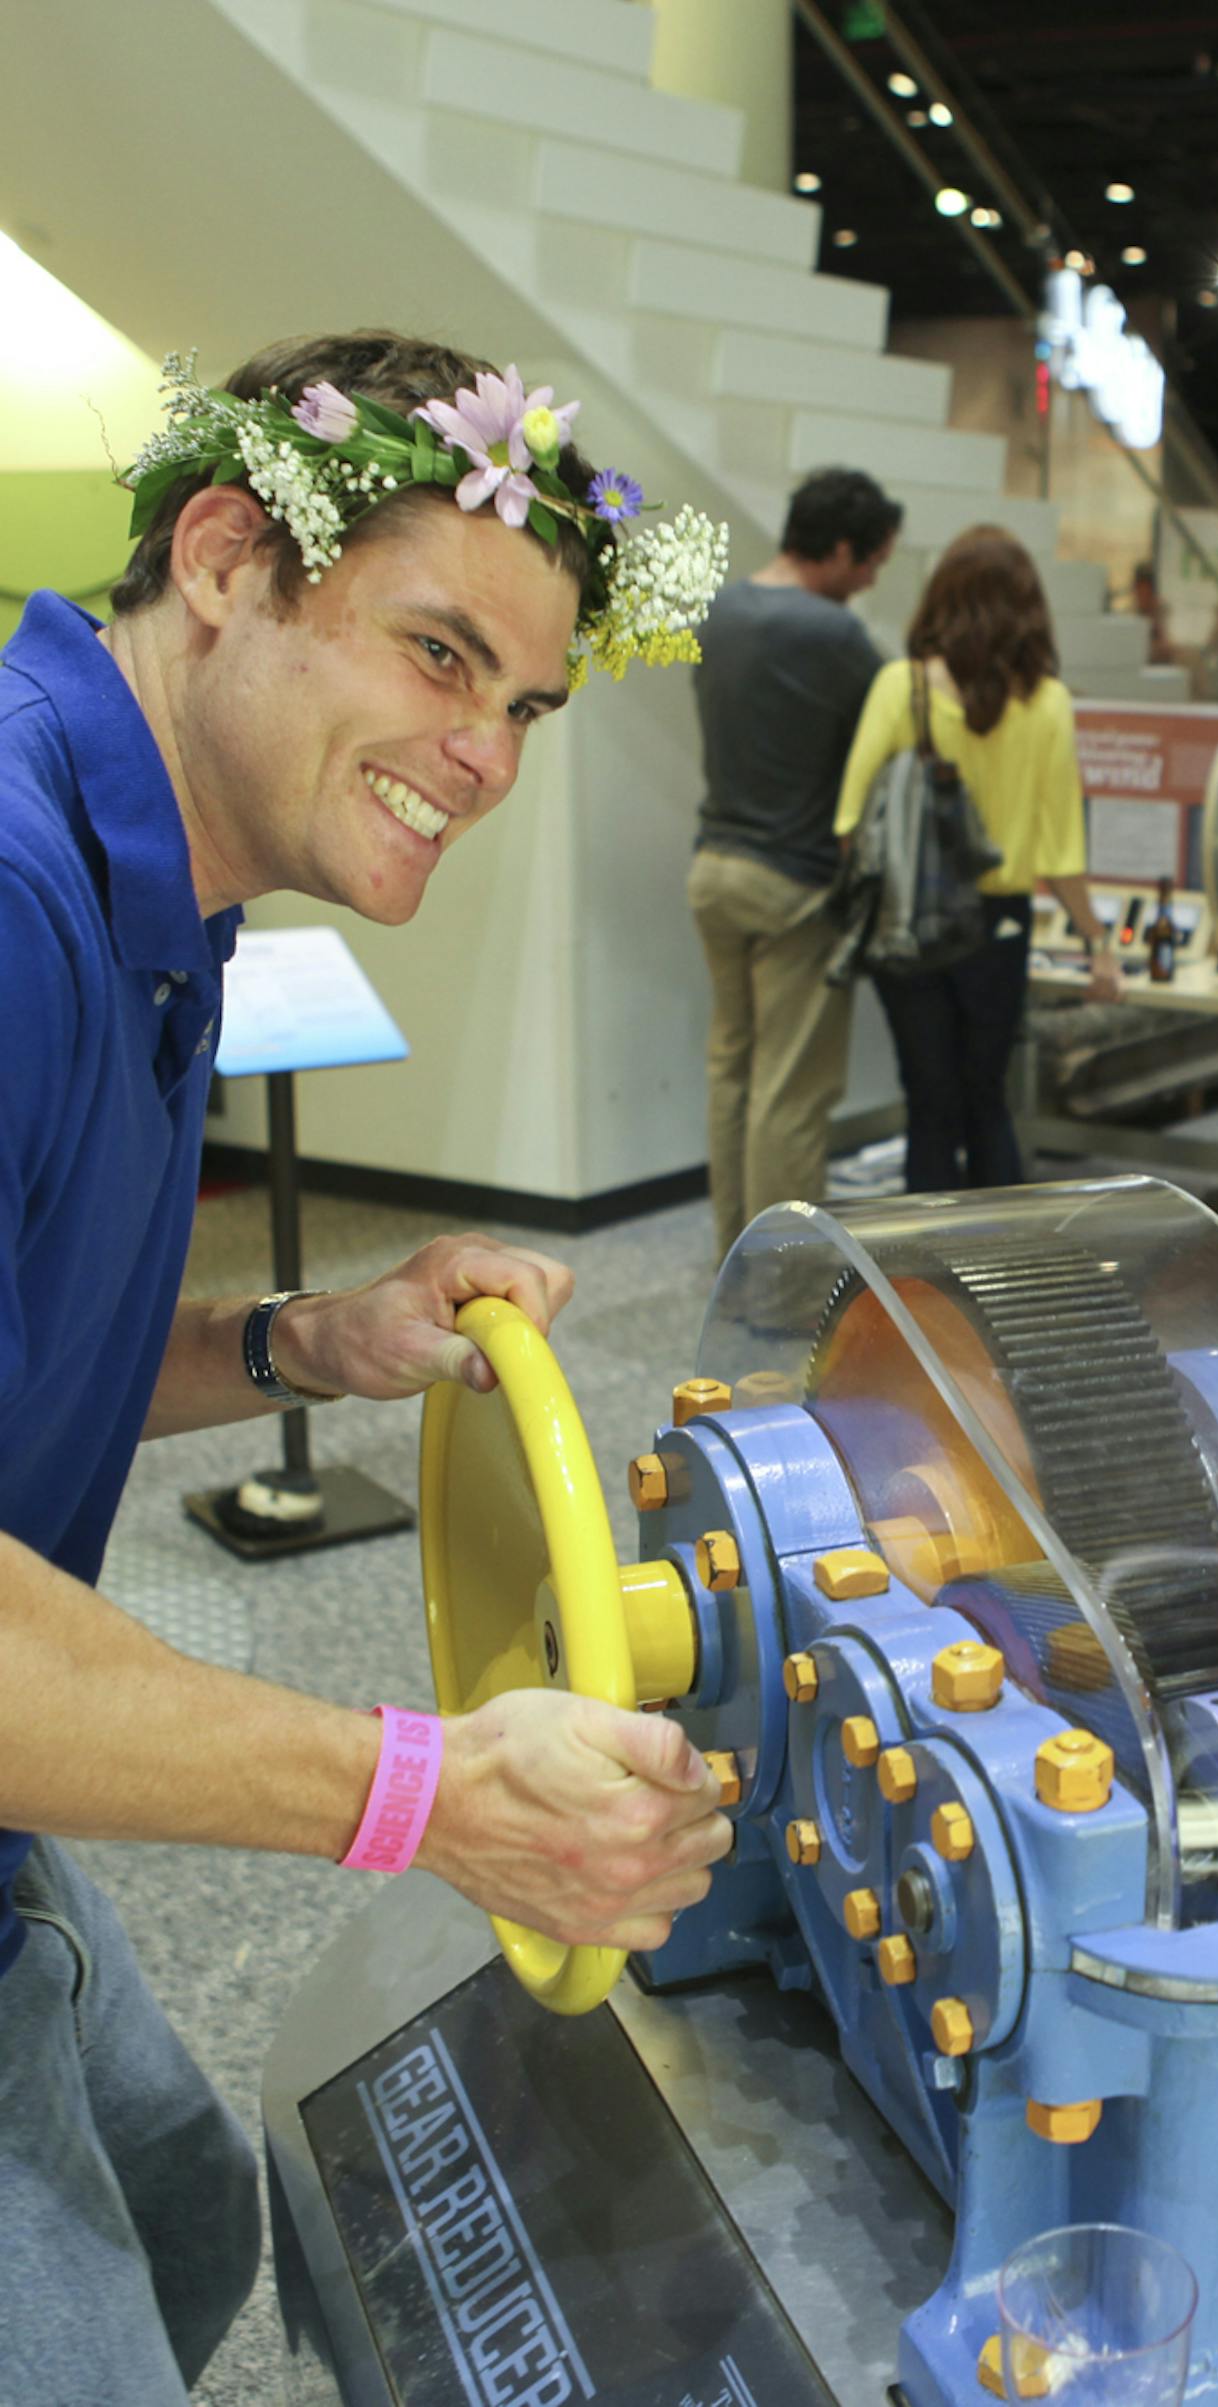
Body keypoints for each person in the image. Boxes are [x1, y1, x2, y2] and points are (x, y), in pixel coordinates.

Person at [0, 331, 736, 2405]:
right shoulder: (12, 892)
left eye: (522, 704)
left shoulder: (169, 880)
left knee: (183, 2204)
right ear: (228, 552)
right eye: (436, 653)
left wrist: (302, 1342)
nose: (487, 755)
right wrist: (427, 1793)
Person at [836, 526, 1119, 1189]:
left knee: (929, 1106)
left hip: (909, 920)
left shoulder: (897, 687)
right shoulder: (1048, 704)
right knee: (987, 1099)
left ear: (942, 598)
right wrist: (1097, 940)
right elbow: (1061, 851)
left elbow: (850, 822)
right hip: (999, 923)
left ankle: (921, 1283)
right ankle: (998, 1275)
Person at [689, 467, 902, 1259]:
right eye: (872, 561)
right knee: (792, 1092)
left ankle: (731, 1252)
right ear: (841, 549)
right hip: (796, 883)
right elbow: (900, 717)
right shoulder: (834, 635)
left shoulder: (721, 610)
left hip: (714, 866)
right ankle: (780, 1271)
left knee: (733, 1069)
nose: (872, 578)